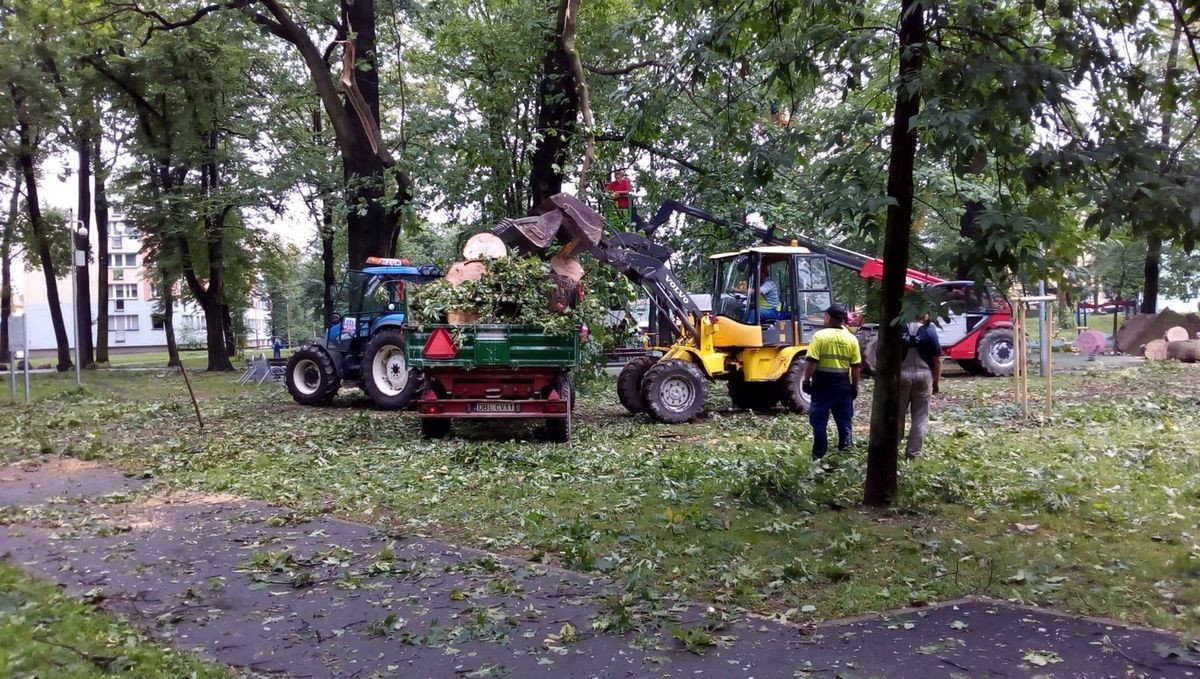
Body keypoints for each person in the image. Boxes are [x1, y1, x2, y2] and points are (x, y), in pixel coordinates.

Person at [801, 304, 862, 460]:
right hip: (842, 384)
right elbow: (855, 367)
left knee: (819, 421)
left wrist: (806, 380)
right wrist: (854, 386)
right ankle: (846, 454)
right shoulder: (851, 339)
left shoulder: (819, 336)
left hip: (822, 384)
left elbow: (812, 361)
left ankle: (819, 455)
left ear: (828, 317)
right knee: (844, 421)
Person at [899, 313, 941, 459]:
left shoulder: (900, 328)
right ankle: (913, 453)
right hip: (924, 375)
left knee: (897, 414)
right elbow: (936, 360)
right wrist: (935, 382)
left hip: (901, 375)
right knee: (920, 416)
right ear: (925, 315)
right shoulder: (929, 330)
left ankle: (893, 447)